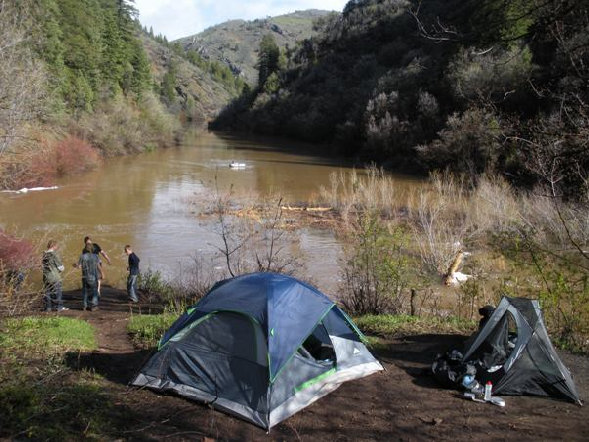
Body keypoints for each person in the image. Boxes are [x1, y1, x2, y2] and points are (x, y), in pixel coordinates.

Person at [42, 240, 67, 311]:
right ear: (54, 246)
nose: (57, 247)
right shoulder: (54, 254)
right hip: (54, 277)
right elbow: (61, 268)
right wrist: (62, 268)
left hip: (46, 277)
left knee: (47, 293)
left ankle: (48, 307)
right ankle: (59, 307)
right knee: (58, 292)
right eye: (56, 246)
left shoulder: (44, 254)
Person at [76, 241, 101, 311]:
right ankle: (94, 306)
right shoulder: (96, 256)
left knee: (85, 291)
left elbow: (79, 266)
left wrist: (75, 265)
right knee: (94, 291)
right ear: (92, 249)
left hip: (84, 276)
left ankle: (84, 305)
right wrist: (102, 273)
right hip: (93, 276)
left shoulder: (82, 256)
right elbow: (98, 265)